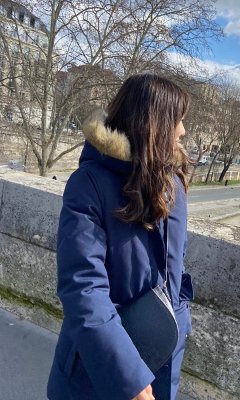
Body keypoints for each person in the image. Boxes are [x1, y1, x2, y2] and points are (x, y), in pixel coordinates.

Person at [47, 74, 194, 400]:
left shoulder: (172, 184)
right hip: (102, 367)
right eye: (178, 120)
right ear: (153, 125)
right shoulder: (89, 184)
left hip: (161, 355)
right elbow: (83, 288)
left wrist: (180, 321)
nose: (183, 131)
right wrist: (128, 378)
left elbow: (172, 268)